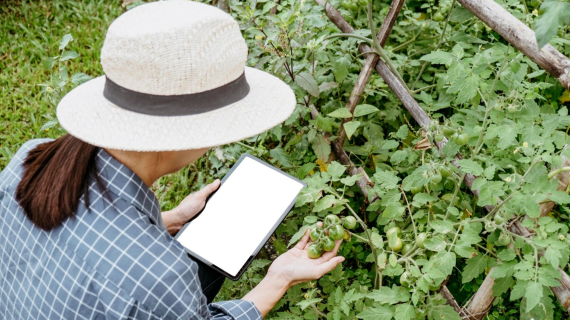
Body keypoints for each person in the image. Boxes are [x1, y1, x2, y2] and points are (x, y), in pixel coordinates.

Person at [0, 1, 344, 319]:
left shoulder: (29, 163)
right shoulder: (159, 278)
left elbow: (82, 240)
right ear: (191, 133)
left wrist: (167, 220)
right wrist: (278, 278)